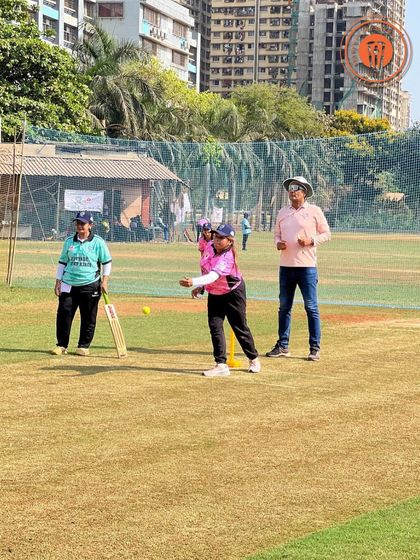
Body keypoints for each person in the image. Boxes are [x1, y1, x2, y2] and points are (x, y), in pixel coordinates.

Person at [179, 224, 261, 377]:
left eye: (221, 238)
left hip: (233, 293)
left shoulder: (227, 257)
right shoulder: (209, 247)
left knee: (239, 327)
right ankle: (221, 365)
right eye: (216, 236)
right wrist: (202, 287)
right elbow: (206, 270)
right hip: (215, 293)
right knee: (215, 326)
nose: (217, 240)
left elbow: (214, 275)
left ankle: (253, 358)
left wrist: (194, 282)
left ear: (229, 241)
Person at [266, 176, 331, 362]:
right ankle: (282, 345)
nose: (293, 191)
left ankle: (314, 348)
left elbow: (327, 233)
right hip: (286, 267)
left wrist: (311, 241)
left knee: (311, 307)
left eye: (297, 188)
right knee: (284, 307)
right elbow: (276, 235)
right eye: (291, 188)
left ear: (304, 192)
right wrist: (278, 244)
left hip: (307, 267)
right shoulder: (282, 212)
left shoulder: (313, 211)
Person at [50, 211, 112, 356]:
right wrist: (58, 281)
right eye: (77, 223)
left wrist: (105, 281)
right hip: (68, 283)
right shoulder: (69, 242)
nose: (79, 226)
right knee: (64, 314)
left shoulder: (98, 242)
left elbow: (107, 262)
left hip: (90, 284)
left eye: (82, 223)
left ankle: (83, 346)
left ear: (90, 225)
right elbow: (62, 262)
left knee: (88, 316)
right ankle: (61, 345)